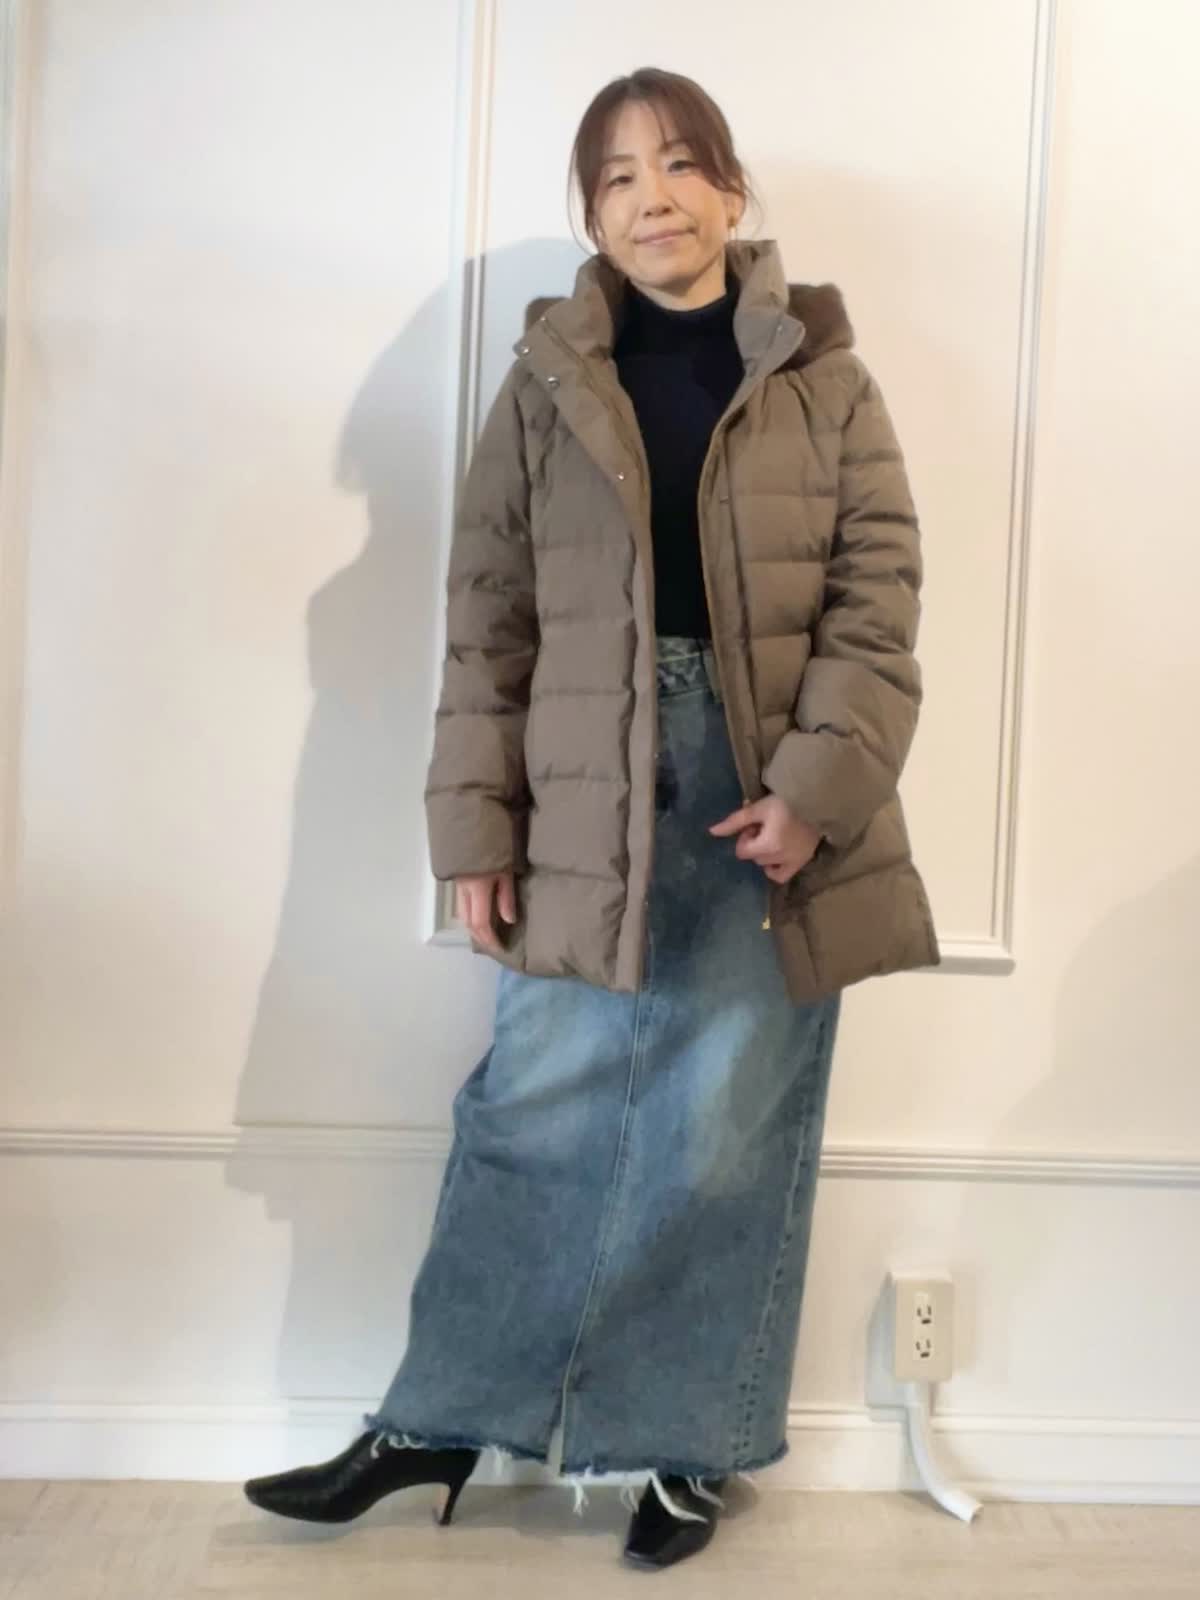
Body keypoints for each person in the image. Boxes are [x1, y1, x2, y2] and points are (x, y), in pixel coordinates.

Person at [244, 66, 939, 1571]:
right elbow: (487, 618)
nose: (653, 198)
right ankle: (437, 1421)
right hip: (578, 782)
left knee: (726, 1133)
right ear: (591, 213)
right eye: (617, 177)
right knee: (529, 1109)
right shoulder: (547, 383)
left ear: (732, 192)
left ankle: (687, 1451)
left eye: (680, 165)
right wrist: (474, 833)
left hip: (762, 785)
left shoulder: (827, 379)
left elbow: (876, 605)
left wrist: (812, 794)